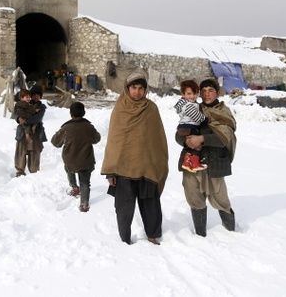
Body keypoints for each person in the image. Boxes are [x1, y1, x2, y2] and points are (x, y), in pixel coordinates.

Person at [101, 71, 168, 245]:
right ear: (127, 88)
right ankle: (124, 239)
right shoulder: (120, 108)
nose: (137, 92)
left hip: (147, 167)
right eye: (134, 87)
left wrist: (158, 164)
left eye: (141, 88)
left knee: (150, 205)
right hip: (123, 169)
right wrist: (111, 171)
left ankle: (153, 234)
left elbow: (157, 139)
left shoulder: (151, 109)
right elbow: (114, 142)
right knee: (123, 208)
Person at [175, 78, 237, 237]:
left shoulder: (223, 112)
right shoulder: (193, 108)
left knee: (220, 199)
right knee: (194, 198)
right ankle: (200, 235)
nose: (207, 94)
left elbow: (225, 137)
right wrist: (187, 141)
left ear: (217, 92)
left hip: (213, 163)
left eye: (211, 90)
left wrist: (201, 139)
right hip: (191, 163)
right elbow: (179, 134)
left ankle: (232, 234)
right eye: (203, 91)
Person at [51, 102, 101, 212]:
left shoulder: (66, 128)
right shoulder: (89, 127)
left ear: (71, 114)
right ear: (84, 113)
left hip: (71, 161)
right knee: (85, 182)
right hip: (86, 161)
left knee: (69, 170)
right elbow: (97, 139)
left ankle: (74, 188)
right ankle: (84, 204)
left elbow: (55, 142)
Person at [175, 79, 208, 173]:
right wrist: (205, 119)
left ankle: (190, 161)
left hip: (187, 127)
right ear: (183, 94)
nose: (192, 96)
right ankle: (193, 162)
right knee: (196, 144)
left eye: (195, 93)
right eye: (189, 94)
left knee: (193, 145)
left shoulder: (189, 103)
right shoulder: (187, 105)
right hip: (188, 127)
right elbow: (195, 115)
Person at [14, 84, 46, 176]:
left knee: (34, 153)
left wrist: (25, 120)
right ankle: (20, 171)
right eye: (34, 95)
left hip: (35, 133)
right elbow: (16, 113)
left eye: (38, 95)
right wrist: (18, 118)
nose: (36, 97)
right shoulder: (25, 103)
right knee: (21, 152)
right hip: (22, 132)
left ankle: (34, 173)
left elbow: (37, 118)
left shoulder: (41, 107)